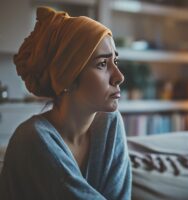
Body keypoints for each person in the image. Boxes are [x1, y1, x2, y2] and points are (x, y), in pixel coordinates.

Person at [0, 6, 131, 200]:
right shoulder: (32, 139)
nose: (119, 77)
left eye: (115, 62)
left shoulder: (109, 123)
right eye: (102, 64)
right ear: (67, 77)